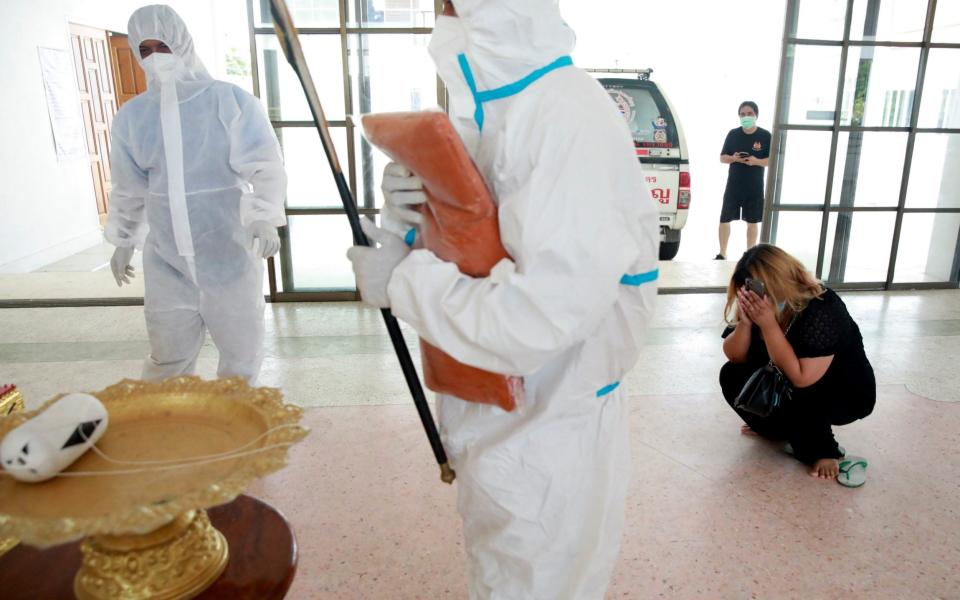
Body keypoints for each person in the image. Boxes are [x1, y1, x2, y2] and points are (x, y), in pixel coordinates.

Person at [346, 0, 659, 597]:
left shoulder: (565, 116)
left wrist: (403, 282)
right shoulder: (496, 111)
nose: (441, 10)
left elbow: (535, 319)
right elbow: (484, 245)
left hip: (551, 431)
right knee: (499, 573)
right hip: (501, 419)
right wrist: (416, 221)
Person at [105, 5, 285, 383]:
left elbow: (265, 165)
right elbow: (129, 186)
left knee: (240, 358)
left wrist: (265, 216)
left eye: (163, 45)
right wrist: (123, 239)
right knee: (167, 359)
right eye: (145, 50)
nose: (156, 57)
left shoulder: (230, 101)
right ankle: (173, 431)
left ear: (182, 43)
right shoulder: (133, 117)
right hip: (166, 260)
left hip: (227, 253)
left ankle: (235, 431)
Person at [719, 244, 875, 483]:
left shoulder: (822, 304)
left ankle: (823, 450)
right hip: (792, 378)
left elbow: (803, 377)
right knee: (731, 375)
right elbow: (735, 356)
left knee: (802, 389)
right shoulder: (760, 305)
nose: (756, 294)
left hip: (842, 390)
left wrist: (769, 325)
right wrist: (747, 323)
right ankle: (776, 430)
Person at [716, 100, 771, 260]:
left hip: (754, 185)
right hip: (734, 184)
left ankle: (750, 255)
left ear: (756, 115)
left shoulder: (765, 136)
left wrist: (756, 161)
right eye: (742, 114)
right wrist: (734, 158)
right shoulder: (733, 134)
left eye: (749, 114)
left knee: (752, 221)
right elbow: (722, 158)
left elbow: (772, 161)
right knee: (725, 218)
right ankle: (722, 252)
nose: (746, 117)